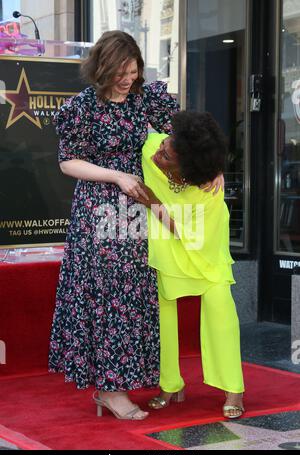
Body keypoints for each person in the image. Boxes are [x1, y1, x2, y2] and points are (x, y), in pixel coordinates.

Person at [48, 30, 180, 420]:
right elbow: (67, 161)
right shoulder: (81, 108)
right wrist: (116, 176)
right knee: (108, 297)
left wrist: (208, 170)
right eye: (119, 70)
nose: (127, 77)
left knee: (135, 295)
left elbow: (180, 138)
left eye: (132, 68)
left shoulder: (148, 100)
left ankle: (124, 382)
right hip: (99, 210)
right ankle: (110, 389)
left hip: (143, 208)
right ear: (101, 68)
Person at [135, 111, 245, 419]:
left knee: (220, 306)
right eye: (165, 144)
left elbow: (187, 232)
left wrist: (151, 202)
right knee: (165, 310)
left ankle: (233, 387)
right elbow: (142, 127)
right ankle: (170, 384)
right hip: (166, 245)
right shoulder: (153, 148)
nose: (159, 152)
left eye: (167, 155)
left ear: (186, 171)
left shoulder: (207, 190)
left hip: (204, 244)